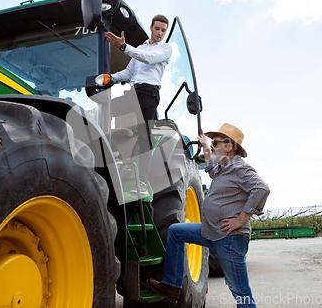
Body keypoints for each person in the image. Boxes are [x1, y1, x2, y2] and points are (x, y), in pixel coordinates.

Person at [146, 123, 270, 307]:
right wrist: (205, 146)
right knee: (175, 232)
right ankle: (172, 287)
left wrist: (240, 219)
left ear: (229, 147)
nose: (213, 145)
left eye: (216, 142)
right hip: (212, 232)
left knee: (241, 292)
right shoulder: (224, 167)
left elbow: (261, 189)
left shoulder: (240, 168)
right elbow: (211, 169)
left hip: (230, 238)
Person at [105, 15, 172, 194]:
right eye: (157, 28)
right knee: (105, 110)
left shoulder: (165, 48)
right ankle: (112, 154)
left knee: (144, 136)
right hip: (133, 93)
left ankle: (142, 183)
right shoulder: (141, 47)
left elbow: (148, 58)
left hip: (149, 94)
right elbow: (128, 72)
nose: (160, 32)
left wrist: (124, 47)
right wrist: (111, 78)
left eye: (163, 30)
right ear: (151, 27)